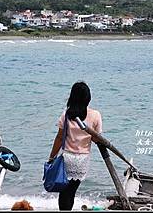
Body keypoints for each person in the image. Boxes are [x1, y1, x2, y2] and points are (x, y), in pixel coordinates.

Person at [48, 81, 102, 211]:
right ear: (88, 98)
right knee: (71, 191)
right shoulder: (95, 115)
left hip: (67, 158)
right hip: (82, 160)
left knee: (64, 191)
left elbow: (60, 137)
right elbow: (96, 138)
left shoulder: (66, 115)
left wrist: (51, 157)